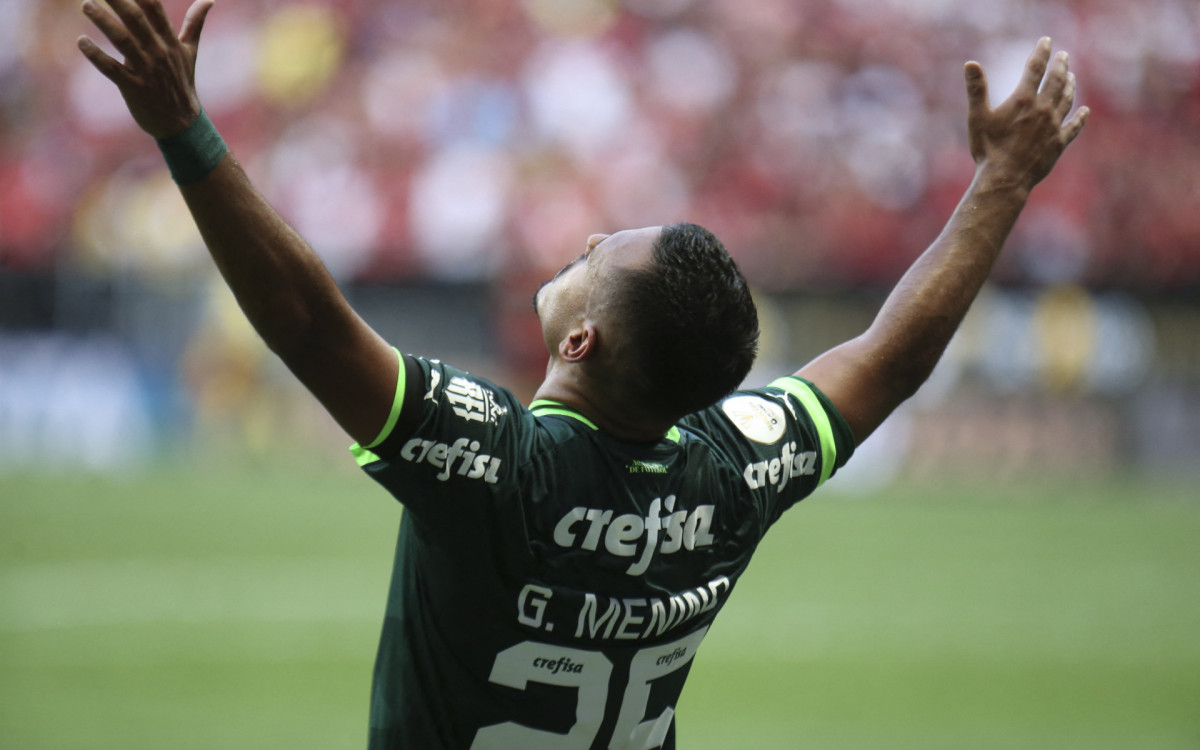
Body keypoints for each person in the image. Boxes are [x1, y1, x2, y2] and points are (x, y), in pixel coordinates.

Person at [78, 1, 1088, 747]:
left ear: (580, 345)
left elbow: (305, 319)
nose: (592, 236)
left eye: (599, 259)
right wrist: (1002, 182)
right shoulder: (736, 472)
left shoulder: (494, 463)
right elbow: (891, 359)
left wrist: (184, 129)